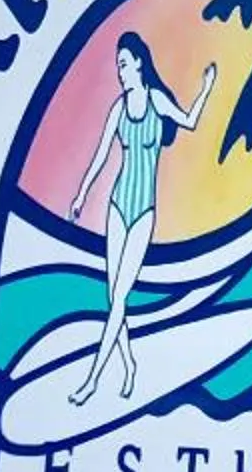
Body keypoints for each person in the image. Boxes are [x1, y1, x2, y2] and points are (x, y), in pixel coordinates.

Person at [67, 33, 216, 406]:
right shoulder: (118, 109)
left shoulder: (156, 100)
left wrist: (207, 87)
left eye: (123, 63)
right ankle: (130, 365)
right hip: (117, 205)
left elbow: (190, 121)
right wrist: (82, 194)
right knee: (112, 294)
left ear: (138, 63)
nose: (119, 71)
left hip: (144, 213)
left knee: (119, 299)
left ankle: (91, 380)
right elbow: (101, 156)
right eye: (117, 65)